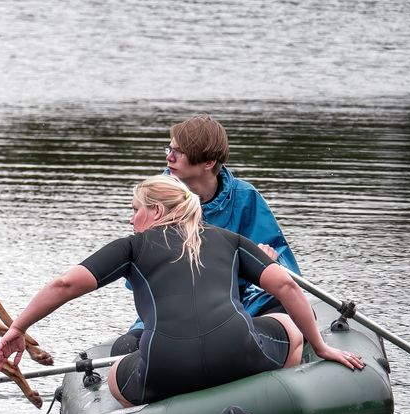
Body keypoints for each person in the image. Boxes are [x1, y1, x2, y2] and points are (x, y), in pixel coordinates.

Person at [0, 175, 363, 407]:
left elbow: (65, 284)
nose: (130, 218)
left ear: (155, 210)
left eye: (135, 209)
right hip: (241, 353)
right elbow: (284, 284)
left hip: (165, 369)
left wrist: (17, 328)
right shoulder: (229, 239)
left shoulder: (130, 248)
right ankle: (274, 391)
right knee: (287, 324)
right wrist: (323, 344)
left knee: (117, 369)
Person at [116, 114, 300, 354]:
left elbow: (285, 269)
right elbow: (137, 274)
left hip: (240, 305)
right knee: (125, 348)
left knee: (289, 313)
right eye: (169, 149)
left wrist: (266, 262)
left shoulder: (245, 196)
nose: (168, 157)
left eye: (178, 152)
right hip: (172, 313)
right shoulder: (155, 198)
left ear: (208, 162)